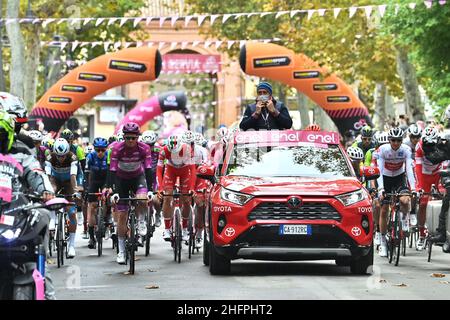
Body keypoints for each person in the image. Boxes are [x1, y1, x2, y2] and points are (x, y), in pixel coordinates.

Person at [107, 122, 153, 264]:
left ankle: (140, 222)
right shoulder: (117, 149)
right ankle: (121, 251)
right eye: (128, 138)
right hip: (121, 180)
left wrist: (150, 189)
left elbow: (149, 169)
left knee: (142, 198)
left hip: (137, 177)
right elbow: (112, 171)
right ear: (124, 138)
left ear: (138, 138)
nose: (131, 141)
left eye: (133, 138)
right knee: (122, 216)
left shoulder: (144, 148)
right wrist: (113, 190)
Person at [376, 127, 416, 257]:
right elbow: (379, 172)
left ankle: (404, 219)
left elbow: (409, 170)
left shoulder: (406, 150)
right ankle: (382, 241)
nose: (396, 143)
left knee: (405, 200)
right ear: (389, 140)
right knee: (384, 209)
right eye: (393, 140)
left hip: (399, 177)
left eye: (399, 140)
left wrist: (413, 188)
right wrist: (381, 189)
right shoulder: (383, 150)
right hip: (386, 178)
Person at [155, 135, 197, 242]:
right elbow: (159, 170)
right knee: (167, 197)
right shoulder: (164, 151)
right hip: (170, 171)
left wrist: (192, 188)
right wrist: (160, 188)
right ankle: (167, 228)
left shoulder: (187, 150)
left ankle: (184, 228)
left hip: (185, 172)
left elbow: (193, 170)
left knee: (186, 200)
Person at [45, 138, 80, 258]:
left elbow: (73, 176)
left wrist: (75, 190)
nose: (61, 158)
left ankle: (71, 246)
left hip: (68, 181)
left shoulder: (72, 157)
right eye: (59, 156)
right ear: (55, 152)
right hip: (55, 180)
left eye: (63, 156)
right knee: (51, 191)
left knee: (71, 212)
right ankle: (53, 219)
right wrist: (47, 191)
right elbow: (48, 176)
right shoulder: (50, 157)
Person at [415, 127, 442, 250]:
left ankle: (442, 230)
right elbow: (418, 168)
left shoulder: (443, 144)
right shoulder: (419, 147)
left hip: (438, 173)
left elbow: (446, 164)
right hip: (424, 175)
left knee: (443, 198)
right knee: (423, 203)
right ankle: (421, 234)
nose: (429, 147)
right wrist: (419, 187)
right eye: (427, 144)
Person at [85, 137, 110, 249]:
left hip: (105, 180)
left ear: (106, 149)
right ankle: (91, 237)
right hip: (94, 180)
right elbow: (86, 174)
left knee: (106, 201)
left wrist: (109, 187)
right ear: (94, 149)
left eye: (102, 150)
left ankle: (104, 220)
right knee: (91, 206)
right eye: (97, 150)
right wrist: (86, 188)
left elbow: (111, 173)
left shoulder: (108, 156)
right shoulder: (90, 156)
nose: (100, 152)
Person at [141, 130, 162, 227]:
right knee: (141, 199)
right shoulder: (140, 150)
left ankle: (158, 214)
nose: (149, 148)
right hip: (143, 175)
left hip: (155, 176)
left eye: (151, 145)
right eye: (146, 145)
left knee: (156, 199)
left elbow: (164, 166)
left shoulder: (159, 150)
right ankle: (142, 217)